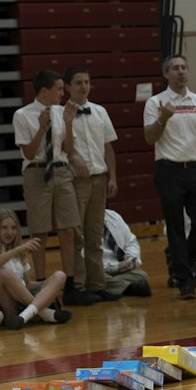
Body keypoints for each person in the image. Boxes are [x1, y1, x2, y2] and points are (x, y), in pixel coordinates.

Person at [144, 54, 196, 300]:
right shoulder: (156, 102)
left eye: (184, 67)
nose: (181, 72)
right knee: (175, 227)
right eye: (175, 68)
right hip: (168, 169)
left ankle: (180, 263)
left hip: (195, 167)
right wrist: (163, 118)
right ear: (166, 74)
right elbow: (149, 137)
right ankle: (186, 281)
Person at [12, 70, 78, 286]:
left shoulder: (63, 111)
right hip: (37, 171)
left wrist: (68, 123)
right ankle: (40, 283)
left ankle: (70, 282)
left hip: (61, 170)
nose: (63, 93)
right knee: (39, 232)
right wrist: (41, 128)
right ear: (44, 91)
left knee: (68, 229)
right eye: (59, 88)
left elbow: (68, 149)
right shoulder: (22, 115)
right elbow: (29, 154)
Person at [64, 65, 120, 304]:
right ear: (67, 87)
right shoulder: (60, 113)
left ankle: (97, 283)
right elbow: (60, 147)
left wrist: (113, 177)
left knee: (95, 234)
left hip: (99, 178)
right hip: (76, 181)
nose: (83, 86)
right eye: (78, 82)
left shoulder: (100, 111)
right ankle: (77, 285)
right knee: (76, 236)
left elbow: (108, 146)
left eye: (86, 82)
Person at [0, 208, 70, 328]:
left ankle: (27, 315)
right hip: (4, 301)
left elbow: (27, 283)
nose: (9, 232)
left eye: (13, 228)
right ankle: (43, 313)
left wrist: (46, 284)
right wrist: (18, 249)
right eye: (4, 228)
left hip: (24, 299)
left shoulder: (19, 253)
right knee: (4, 273)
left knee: (59, 275)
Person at [100, 208, 152, 298]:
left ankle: (115, 287)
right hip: (100, 271)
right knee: (90, 278)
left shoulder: (113, 216)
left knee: (142, 275)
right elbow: (86, 262)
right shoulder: (81, 222)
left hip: (120, 269)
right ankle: (128, 287)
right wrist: (115, 267)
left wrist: (131, 260)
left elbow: (131, 242)